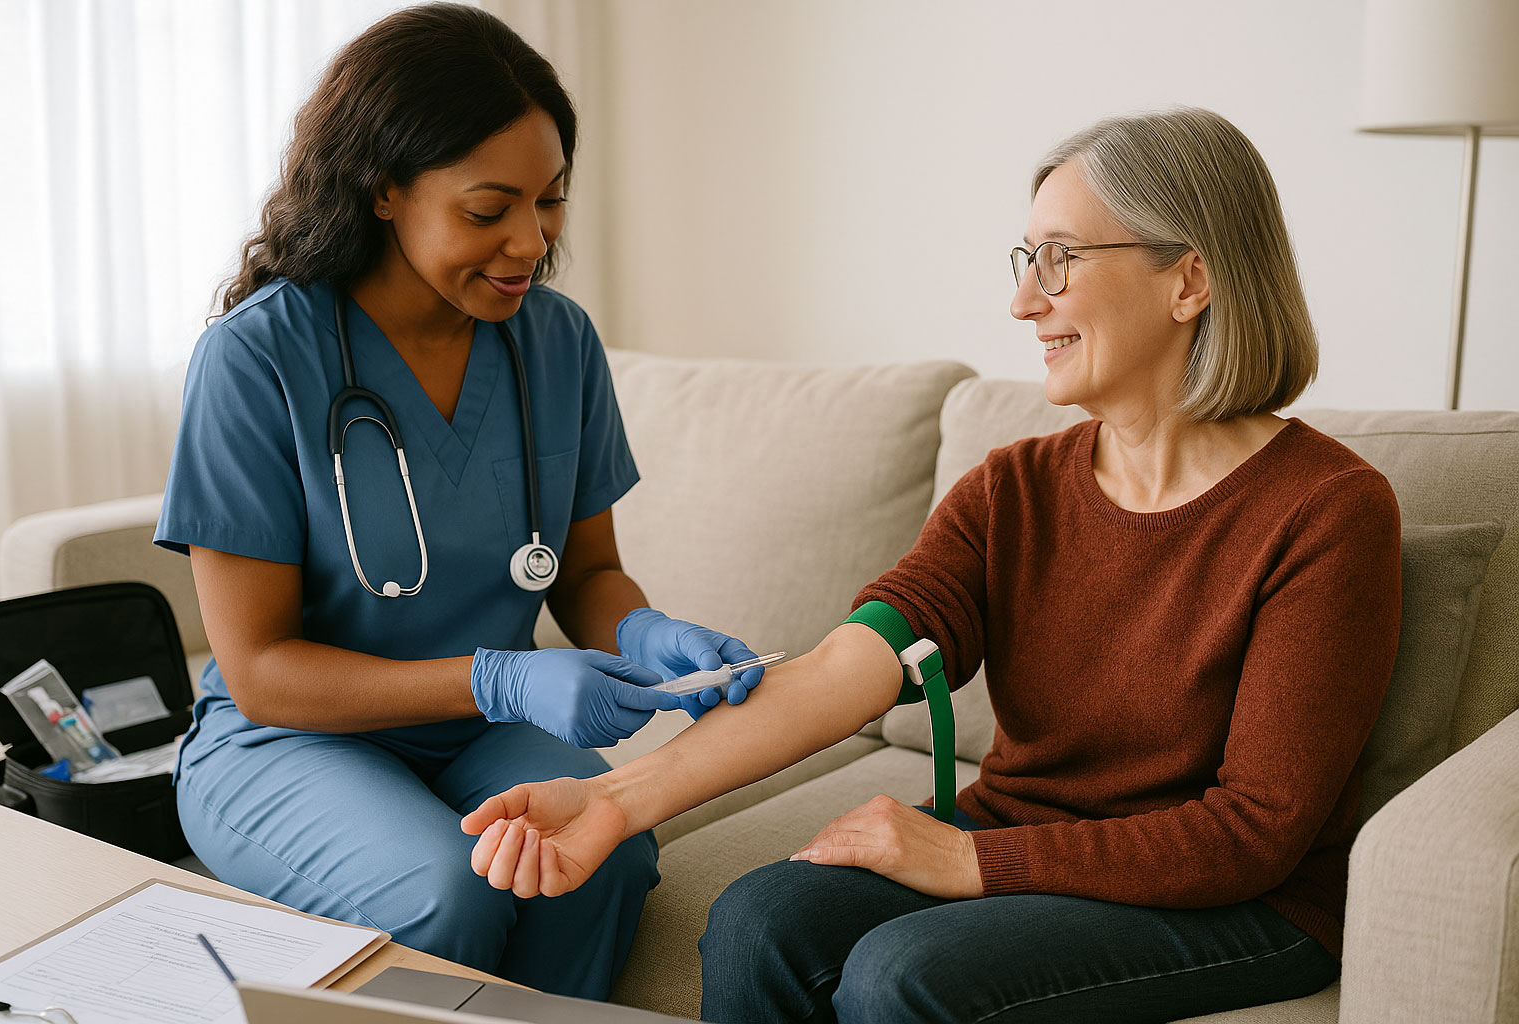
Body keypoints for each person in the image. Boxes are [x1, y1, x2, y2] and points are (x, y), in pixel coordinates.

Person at [459, 107, 1403, 1022]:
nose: (1024, 302)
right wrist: (611, 800)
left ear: (1188, 281)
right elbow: (844, 670)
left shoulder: (1326, 511)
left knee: (902, 977)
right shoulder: (1014, 491)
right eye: (1026, 261)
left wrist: (972, 862)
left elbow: (1253, 834)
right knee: (757, 921)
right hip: (1027, 831)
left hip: (1243, 900)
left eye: (1060, 259)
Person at [154, 4, 763, 999]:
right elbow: (260, 671)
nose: (530, 241)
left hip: (476, 735)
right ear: (383, 189)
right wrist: (502, 680)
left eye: (550, 201)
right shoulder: (257, 357)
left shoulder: (556, 343)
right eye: (489, 210)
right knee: (444, 892)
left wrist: (648, 633)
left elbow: (589, 572)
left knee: (600, 846)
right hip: (288, 740)